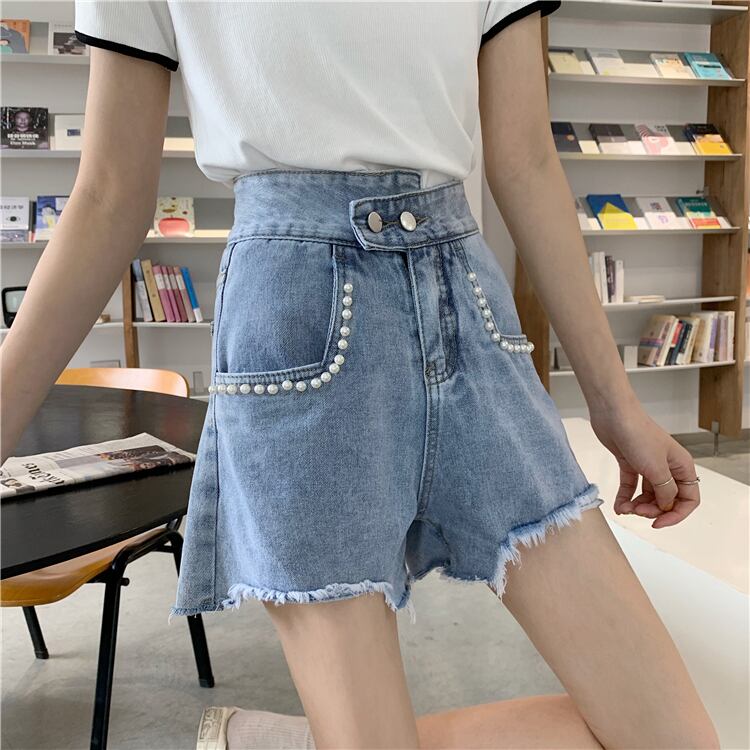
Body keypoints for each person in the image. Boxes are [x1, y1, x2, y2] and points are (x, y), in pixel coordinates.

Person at [0, 2, 720, 749]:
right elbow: (108, 193)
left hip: (468, 307)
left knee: (674, 738)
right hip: (298, 312)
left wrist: (616, 405)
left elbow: (527, 160)